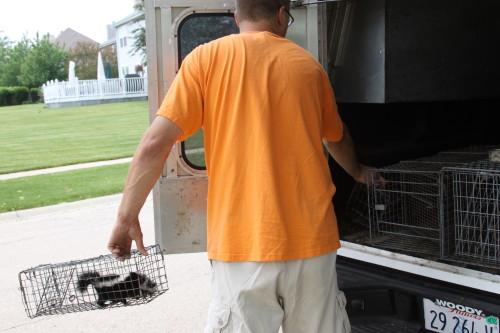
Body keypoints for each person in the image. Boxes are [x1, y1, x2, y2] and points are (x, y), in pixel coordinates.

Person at [108, 0, 372, 331]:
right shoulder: (309, 66)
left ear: (237, 17)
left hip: (242, 245)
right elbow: (336, 138)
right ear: (281, 14)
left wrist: (125, 218)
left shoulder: (204, 60)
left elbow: (154, 144)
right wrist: (360, 172)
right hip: (311, 242)